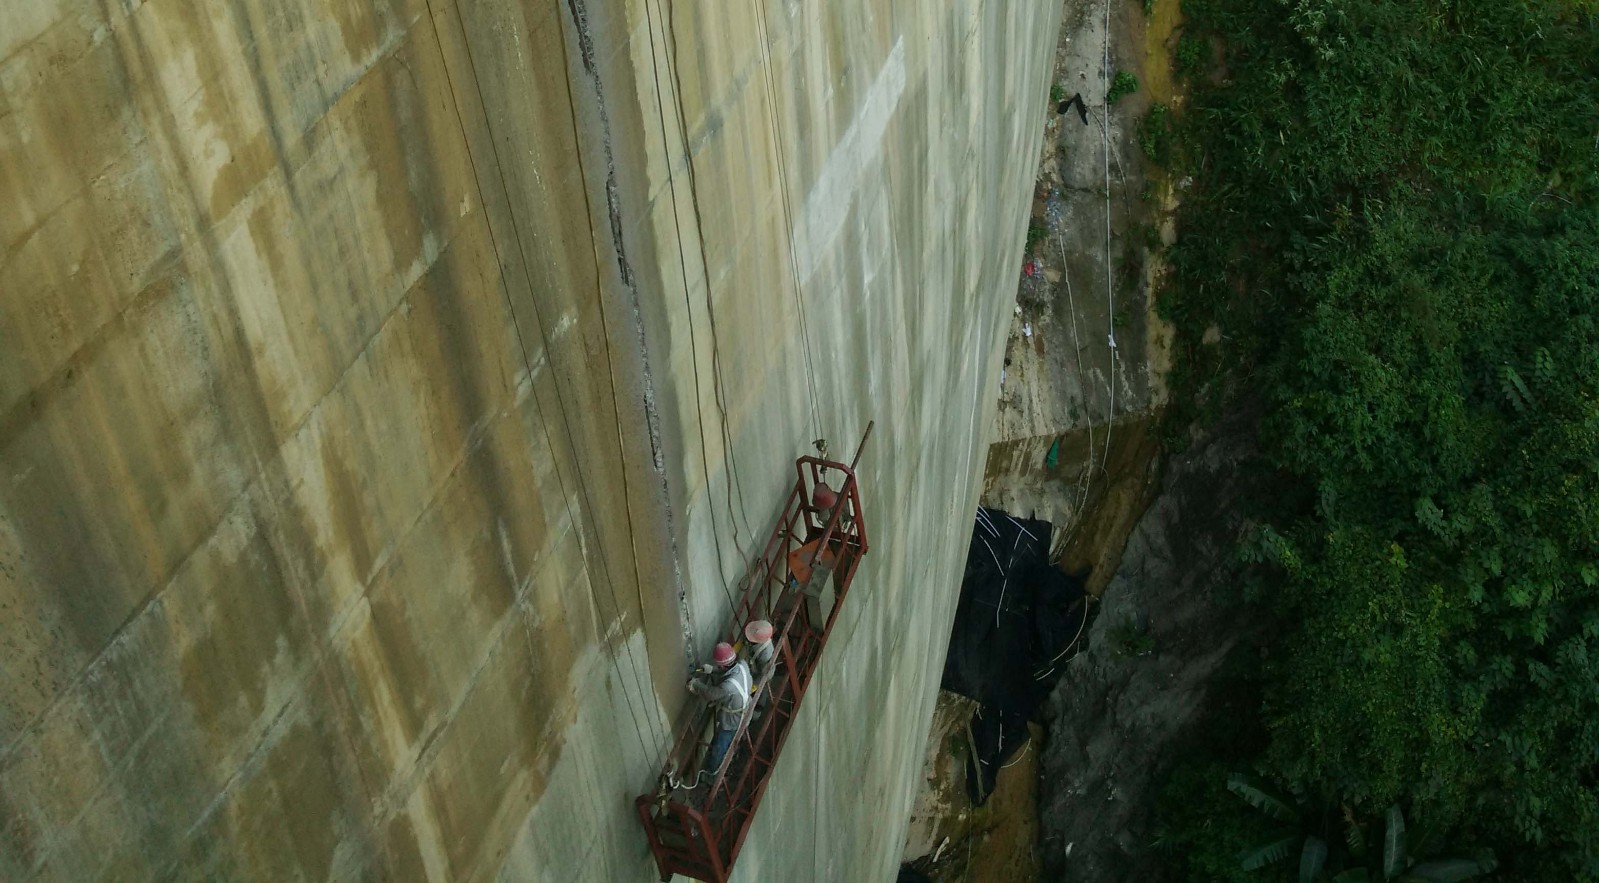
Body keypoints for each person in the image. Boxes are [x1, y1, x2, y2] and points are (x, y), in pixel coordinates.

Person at [688, 642, 751, 777]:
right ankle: (738, 746)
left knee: (719, 748)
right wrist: (712, 670)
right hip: (746, 710)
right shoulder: (742, 664)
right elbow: (727, 671)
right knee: (733, 738)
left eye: (718, 665)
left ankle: (711, 774)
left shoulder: (728, 686)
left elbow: (711, 694)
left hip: (733, 721)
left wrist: (696, 684)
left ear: (722, 665)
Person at [744, 620, 778, 709]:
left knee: (761, 693)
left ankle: (757, 711)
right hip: (757, 669)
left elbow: (763, 676)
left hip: (764, 675)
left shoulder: (765, 655)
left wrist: (752, 688)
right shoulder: (763, 636)